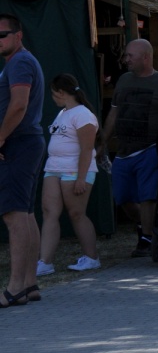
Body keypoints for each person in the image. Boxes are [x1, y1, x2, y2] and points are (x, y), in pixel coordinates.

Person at [102, 39, 158, 258]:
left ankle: (147, 238)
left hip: (151, 148)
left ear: (146, 57)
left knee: (148, 196)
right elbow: (114, 113)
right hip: (124, 151)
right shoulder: (124, 80)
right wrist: (103, 143)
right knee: (122, 197)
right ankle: (147, 226)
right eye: (126, 56)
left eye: (130, 56)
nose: (125, 60)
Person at [0, 14, 44, 306]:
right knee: (25, 214)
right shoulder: (17, 63)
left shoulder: (20, 62)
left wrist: (0, 138)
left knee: (14, 215)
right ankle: (29, 284)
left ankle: (16, 287)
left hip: (19, 144)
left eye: (2, 34)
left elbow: (19, 105)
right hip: (25, 143)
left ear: (19, 35)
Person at [38, 74, 102, 275]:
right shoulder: (62, 113)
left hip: (75, 170)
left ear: (61, 92)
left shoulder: (83, 114)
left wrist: (81, 178)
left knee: (76, 213)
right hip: (53, 168)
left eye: (53, 93)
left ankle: (92, 258)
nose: (52, 98)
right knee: (49, 212)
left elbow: (87, 148)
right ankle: (44, 262)